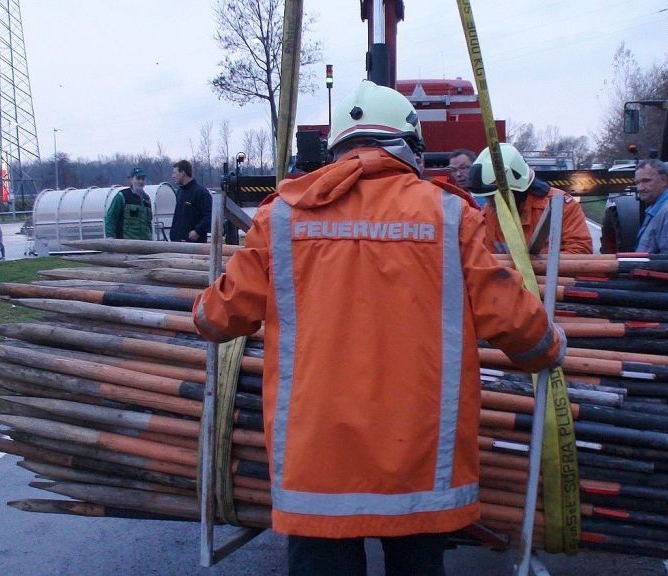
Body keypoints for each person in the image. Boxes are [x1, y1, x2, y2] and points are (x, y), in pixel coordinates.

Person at [191, 80, 565, 576]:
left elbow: (217, 318)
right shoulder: (449, 215)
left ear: (337, 148)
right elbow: (512, 318)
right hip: (419, 461)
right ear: (410, 147)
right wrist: (549, 347)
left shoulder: (281, 217)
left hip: (317, 461)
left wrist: (201, 305)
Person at [470, 143, 593, 255]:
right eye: (487, 197)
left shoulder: (561, 207)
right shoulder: (489, 214)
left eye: (494, 197)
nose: (490, 203)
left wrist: (536, 267)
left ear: (517, 190)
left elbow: (581, 252)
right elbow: (485, 258)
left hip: (556, 274)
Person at [105, 167, 153, 240]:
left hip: (146, 243)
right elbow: (111, 216)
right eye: (138, 178)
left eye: (143, 179)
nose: (141, 181)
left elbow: (149, 223)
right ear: (131, 180)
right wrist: (110, 237)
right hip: (126, 244)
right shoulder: (122, 196)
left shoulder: (147, 199)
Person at [169, 160, 212, 243]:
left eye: (175, 173)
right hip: (177, 242)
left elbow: (209, 216)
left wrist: (197, 231)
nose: (173, 176)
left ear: (183, 173)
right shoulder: (180, 192)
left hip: (195, 245)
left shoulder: (200, 192)